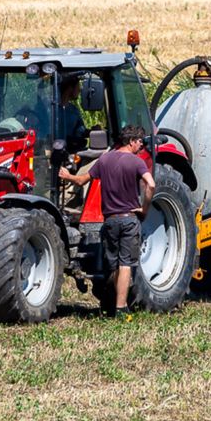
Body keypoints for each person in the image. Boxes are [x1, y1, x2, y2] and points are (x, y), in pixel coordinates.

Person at [60, 125, 155, 317]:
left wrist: (66, 175)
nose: (141, 146)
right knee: (126, 263)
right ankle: (120, 308)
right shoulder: (136, 163)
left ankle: (111, 302)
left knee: (113, 267)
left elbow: (81, 181)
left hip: (109, 221)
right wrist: (144, 209)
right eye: (140, 142)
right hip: (129, 219)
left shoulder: (104, 160)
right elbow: (151, 184)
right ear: (131, 141)